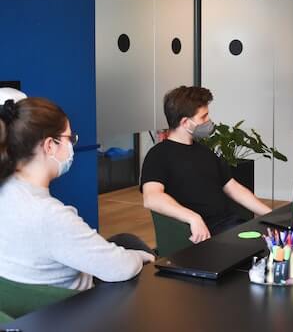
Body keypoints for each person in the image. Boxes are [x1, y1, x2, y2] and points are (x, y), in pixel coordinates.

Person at [0, 97, 154, 291]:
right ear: (49, 145)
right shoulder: (50, 215)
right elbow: (121, 269)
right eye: (69, 138)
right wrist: (139, 256)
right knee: (137, 256)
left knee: (125, 240)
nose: (72, 146)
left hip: (24, 306)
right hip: (77, 308)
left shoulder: (7, 191)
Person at [141, 86, 272, 244]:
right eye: (203, 117)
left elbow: (234, 188)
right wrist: (193, 218)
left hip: (229, 225)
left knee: (276, 242)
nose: (208, 121)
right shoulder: (158, 155)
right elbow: (151, 198)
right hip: (202, 235)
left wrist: (272, 215)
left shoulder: (205, 151)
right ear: (185, 122)